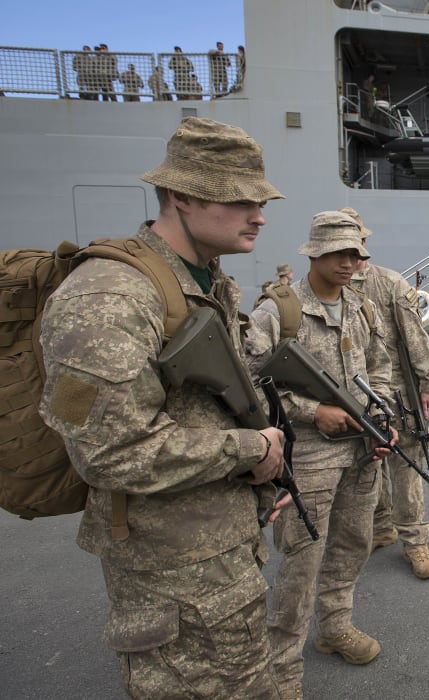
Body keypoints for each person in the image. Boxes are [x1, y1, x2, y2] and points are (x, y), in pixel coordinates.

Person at [38, 117, 288, 698]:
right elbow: (108, 451)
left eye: (260, 199)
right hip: (173, 576)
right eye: (239, 200)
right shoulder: (109, 297)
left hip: (220, 553)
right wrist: (253, 449)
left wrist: (254, 487)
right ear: (180, 195)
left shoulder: (204, 277)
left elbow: (205, 406)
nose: (259, 215)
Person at [247, 210, 394, 700]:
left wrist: (384, 419)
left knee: (353, 543)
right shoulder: (278, 312)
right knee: (301, 560)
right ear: (316, 252)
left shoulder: (362, 308)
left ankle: (334, 627)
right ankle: (283, 664)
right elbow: (251, 385)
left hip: (360, 453)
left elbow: (381, 369)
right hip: (309, 456)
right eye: (340, 253)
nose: (351, 262)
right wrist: (313, 411)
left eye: (356, 253)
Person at [345, 207, 429, 579]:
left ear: (365, 243)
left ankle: (415, 542)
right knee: (367, 463)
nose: (352, 254)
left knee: (405, 467)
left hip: (399, 394)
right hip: (352, 396)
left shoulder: (389, 283)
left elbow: (416, 337)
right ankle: (382, 527)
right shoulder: (328, 288)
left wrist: (428, 384)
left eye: (357, 244)